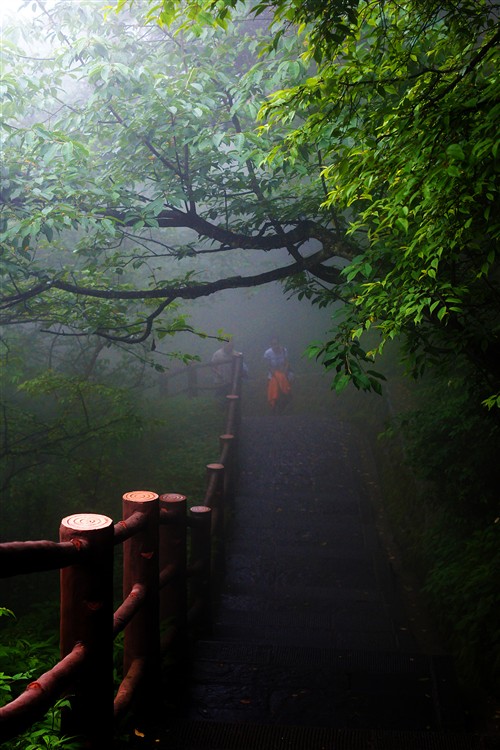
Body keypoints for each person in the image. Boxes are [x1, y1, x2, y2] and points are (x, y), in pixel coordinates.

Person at [263, 336, 293, 414]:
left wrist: (284, 371)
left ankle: (285, 403)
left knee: (288, 381)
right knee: (274, 384)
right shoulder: (268, 353)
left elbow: (287, 363)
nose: (275, 346)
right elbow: (268, 366)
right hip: (273, 374)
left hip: (283, 372)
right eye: (273, 344)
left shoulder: (284, 350)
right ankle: (274, 405)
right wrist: (276, 374)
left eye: (276, 344)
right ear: (271, 345)